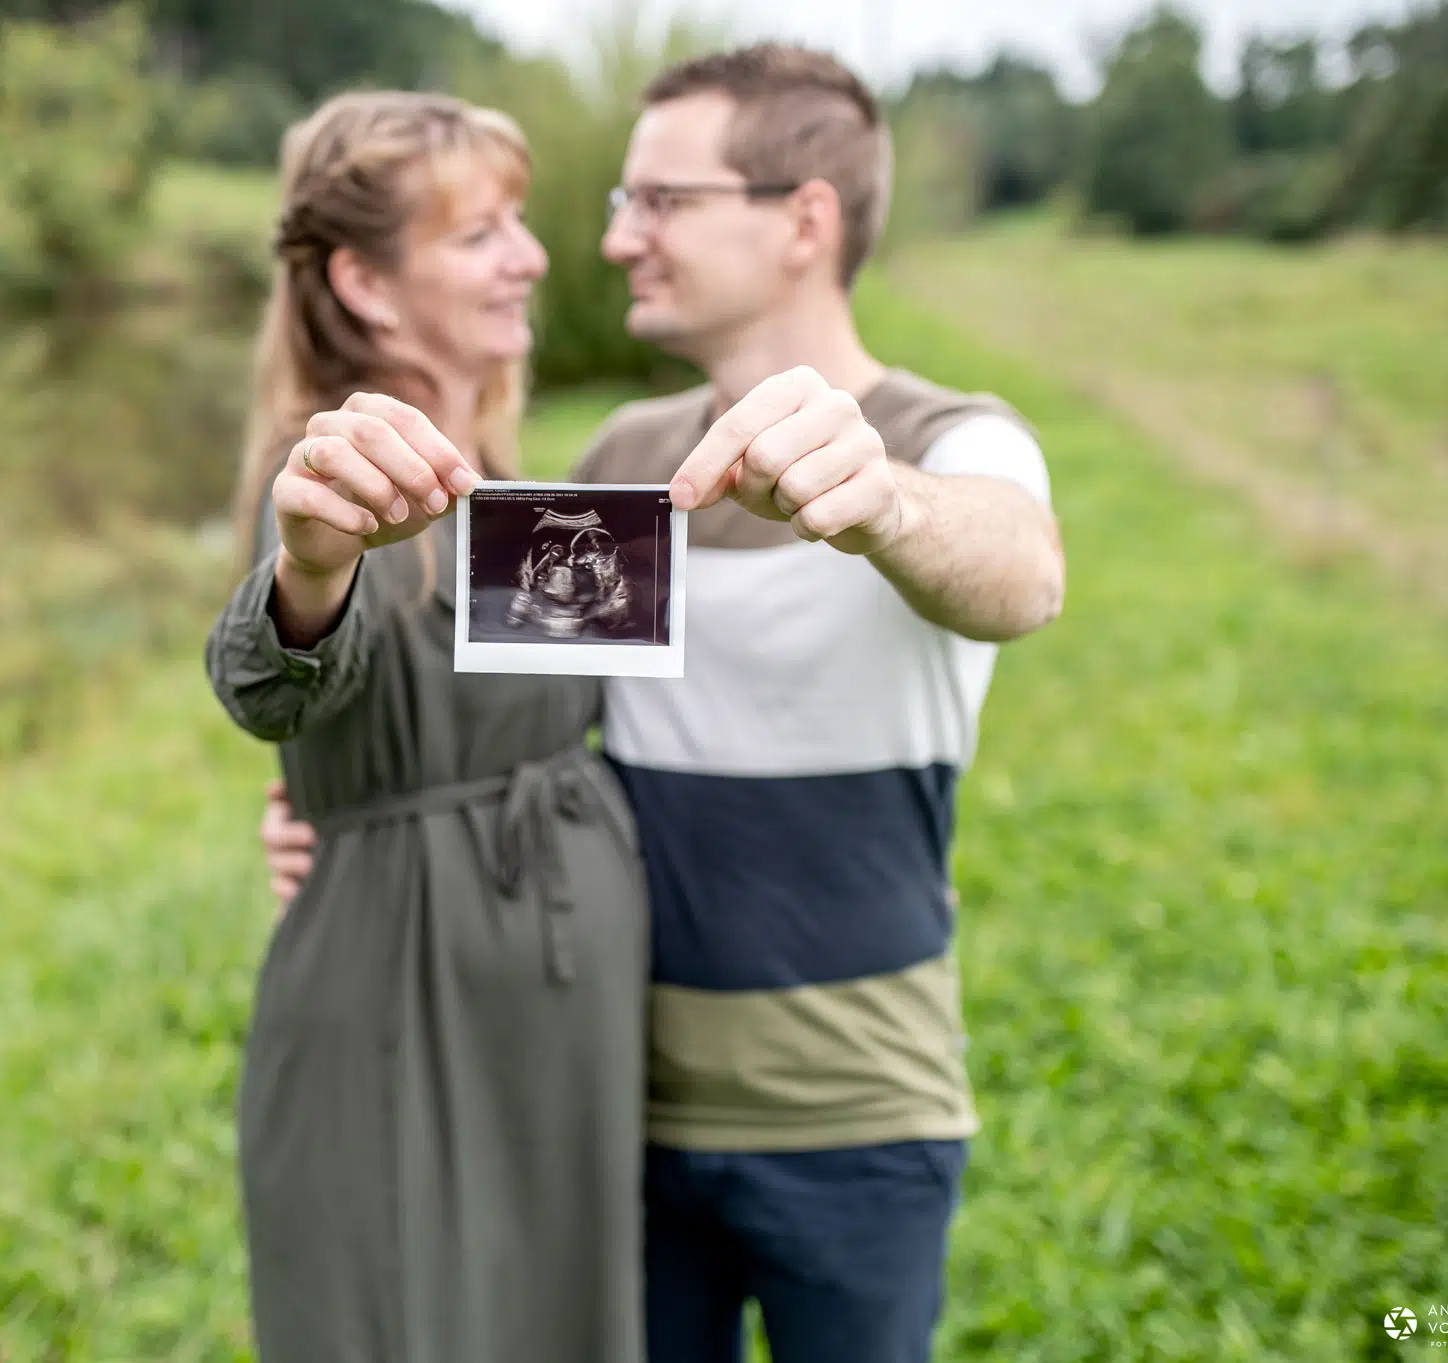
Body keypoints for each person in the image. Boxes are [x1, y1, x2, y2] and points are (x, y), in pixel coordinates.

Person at [255, 43, 1067, 1363]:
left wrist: (884, 504)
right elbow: (461, 707)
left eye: (661, 201)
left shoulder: (946, 440)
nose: (619, 238)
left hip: (853, 1113)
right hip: (617, 1104)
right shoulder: (627, 459)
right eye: (623, 203)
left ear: (803, 219)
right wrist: (335, 816)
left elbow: (1023, 574)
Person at [202, 90, 650, 1363]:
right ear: (366, 282)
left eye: (519, 222)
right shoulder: (338, 484)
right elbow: (279, 672)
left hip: (560, 997)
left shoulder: (508, 474)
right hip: (408, 986)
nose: (530, 256)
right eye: (481, 234)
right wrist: (309, 565)